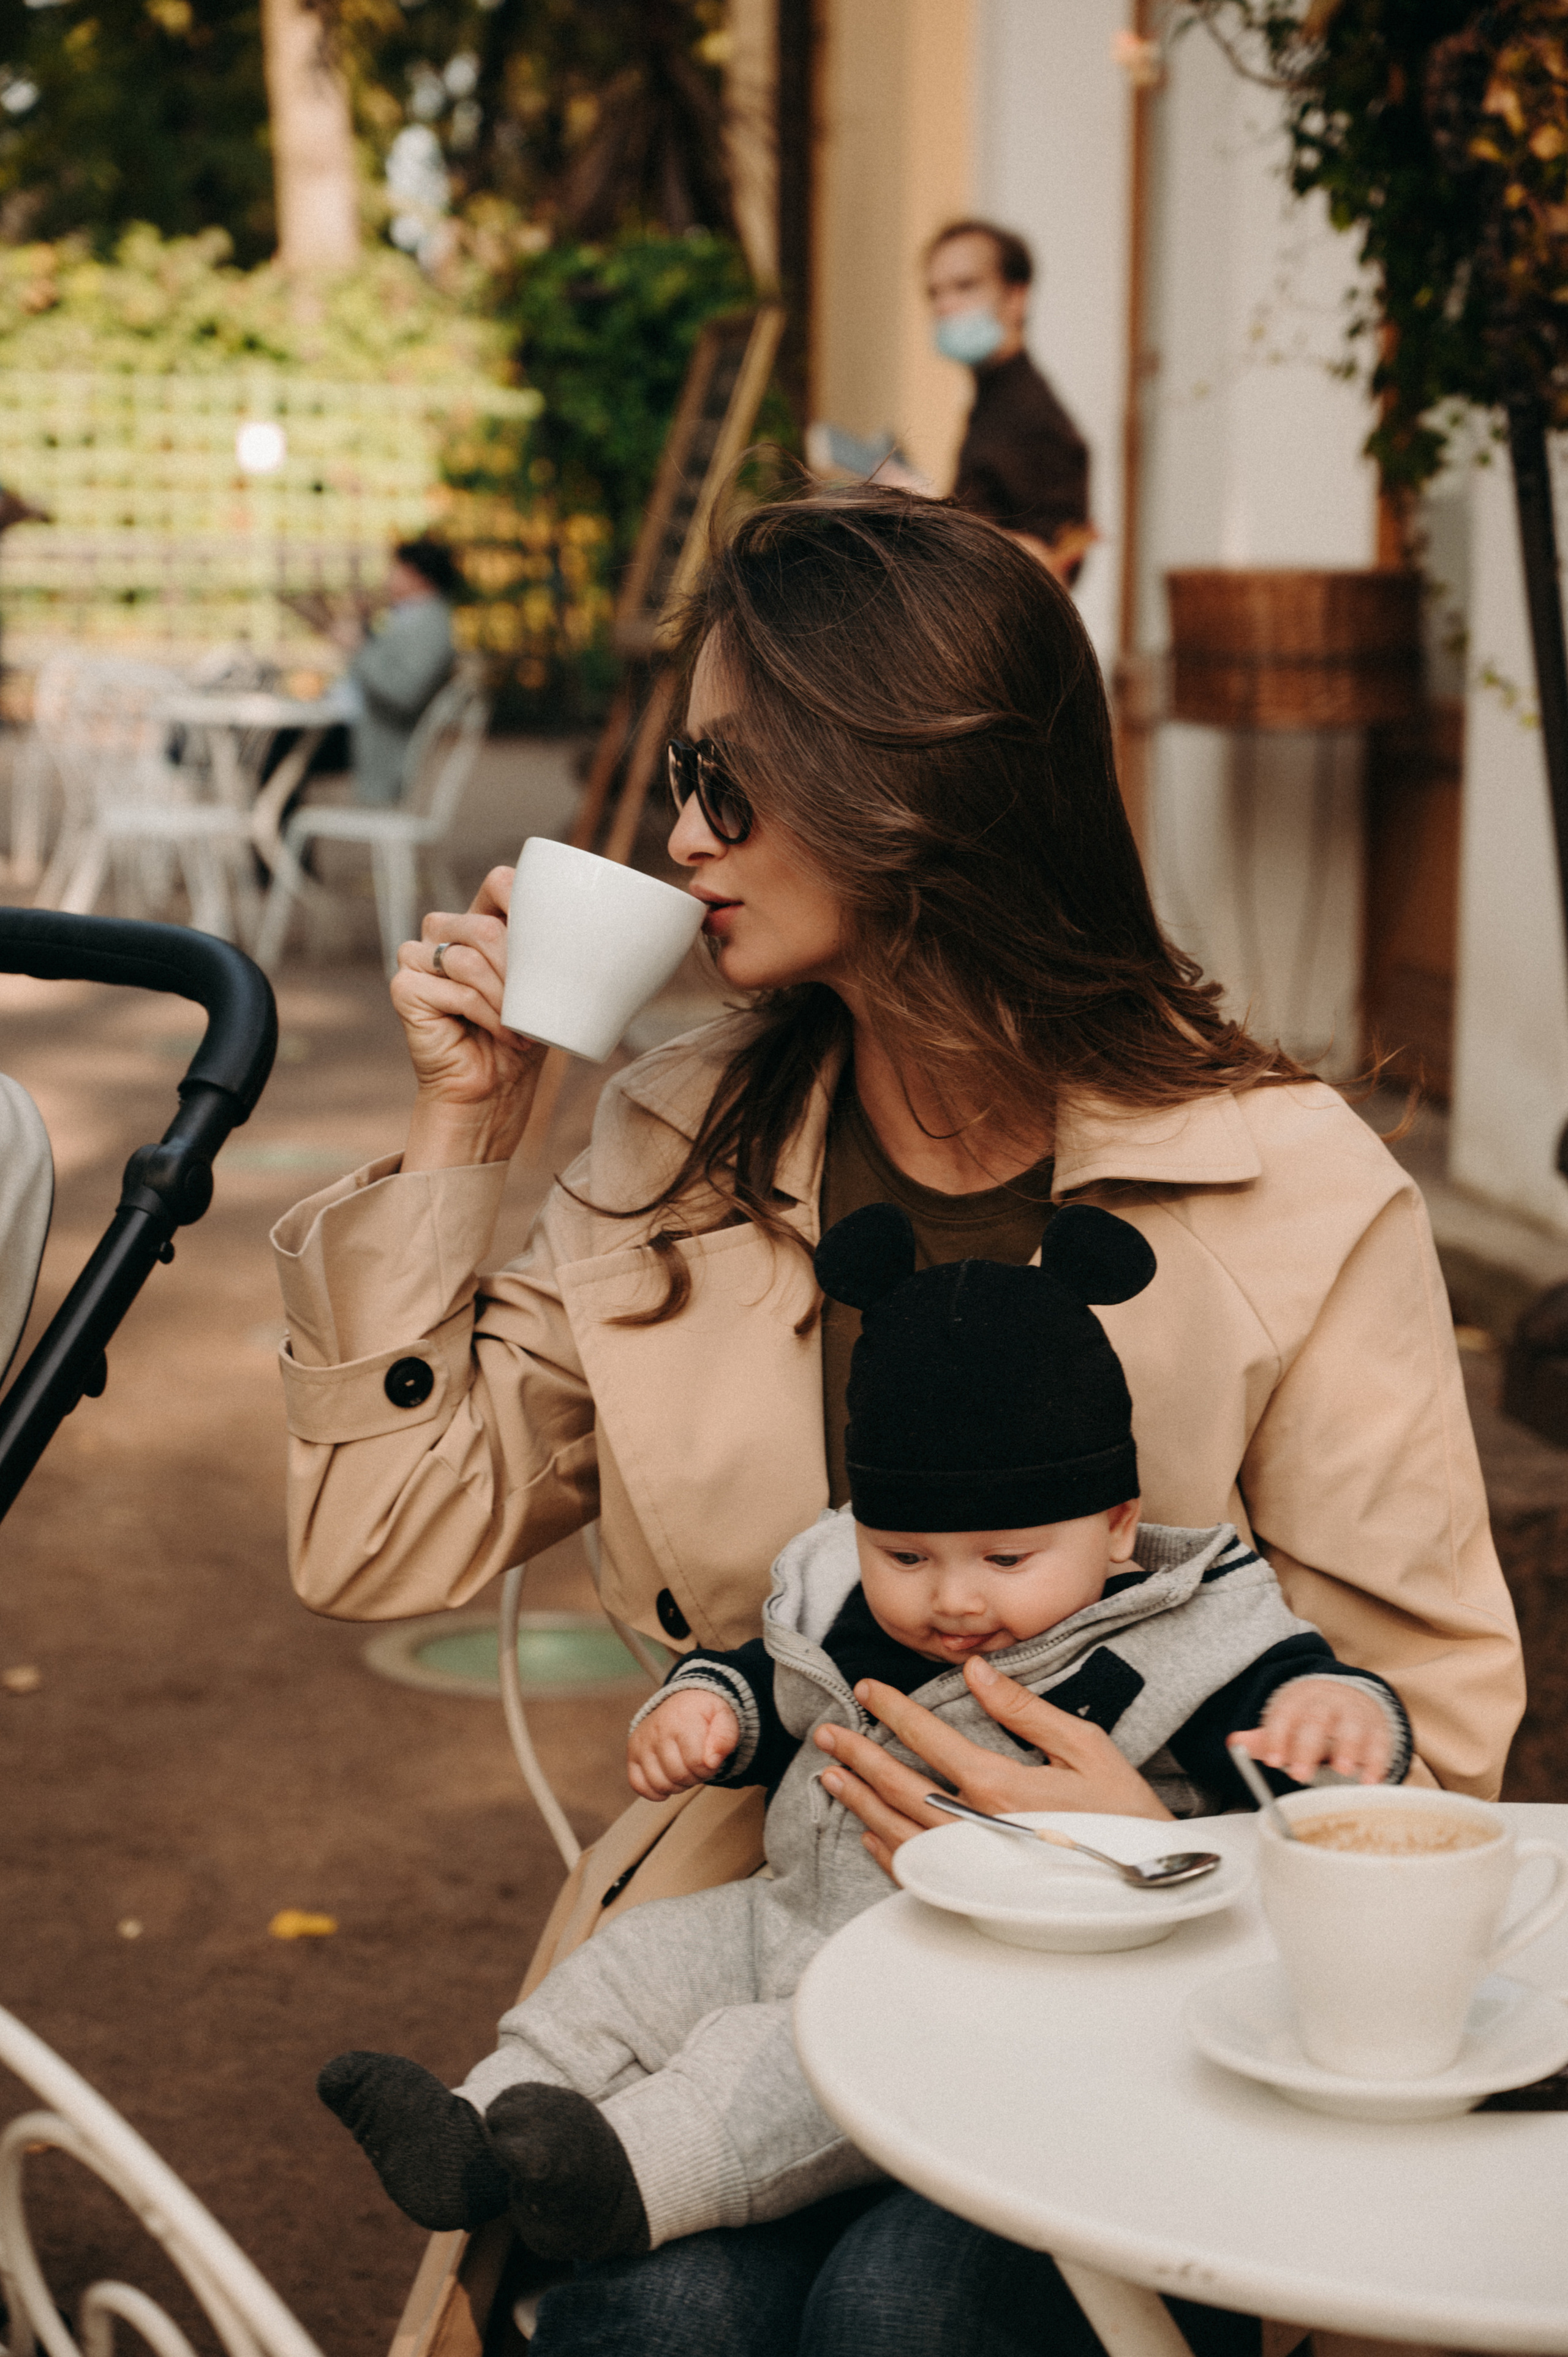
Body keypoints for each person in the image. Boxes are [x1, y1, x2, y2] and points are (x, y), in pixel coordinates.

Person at [271, 486, 1522, 2353]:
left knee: (909, 2307)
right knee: (651, 2315)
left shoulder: (1290, 1184)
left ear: (907, 789)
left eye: (724, 780)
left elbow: (1431, 1731)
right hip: (756, 1948)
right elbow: (382, 1545)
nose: (677, 836)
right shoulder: (671, 1139)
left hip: (1145, 1993)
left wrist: (1177, 1858)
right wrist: (469, 1125)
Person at [315, 1200, 1407, 2263]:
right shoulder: (849, 1604)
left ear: (1118, 1524)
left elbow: (1290, 1712)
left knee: (780, 2068)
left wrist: (1340, 1712)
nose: (954, 1600)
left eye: (1007, 1559)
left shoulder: (1190, 1626)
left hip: (966, 1987)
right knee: (632, 1965)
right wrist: (705, 1710)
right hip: (786, 1910)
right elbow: (769, 1679)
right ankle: (477, 2126)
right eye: (908, 1555)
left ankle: (620, 2183)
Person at [925, 219, 1094, 584]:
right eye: (934, 293)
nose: (945, 305)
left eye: (965, 286)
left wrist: (929, 514)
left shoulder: (1032, 416)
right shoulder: (992, 399)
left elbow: (1053, 565)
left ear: (1017, 297)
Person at [336, 537, 458, 806]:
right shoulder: (410, 617)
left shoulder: (431, 628)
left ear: (419, 576)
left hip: (376, 740)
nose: (387, 577)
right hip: (360, 727)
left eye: (396, 569)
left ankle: (271, 839)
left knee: (271, 751)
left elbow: (403, 692)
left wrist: (360, 649)